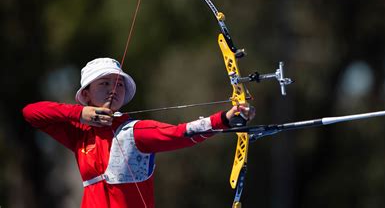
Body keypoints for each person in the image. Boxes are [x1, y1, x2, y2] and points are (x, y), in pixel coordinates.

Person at [22, 57, 255, 208]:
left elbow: (179, 133)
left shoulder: (134, 132)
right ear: (87, 94)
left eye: (119, 84)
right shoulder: (80, 134)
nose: (113, 89)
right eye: (104, 83)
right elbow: (31, 113)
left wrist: (223, 119)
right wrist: (79, 114)